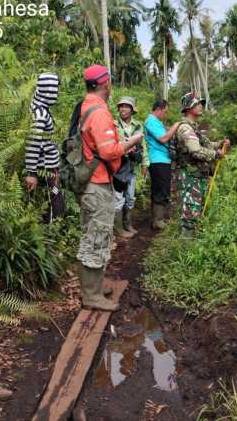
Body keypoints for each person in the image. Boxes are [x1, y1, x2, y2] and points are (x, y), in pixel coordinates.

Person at [77, 65, 143, 311]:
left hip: (90, 182)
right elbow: (107, 151)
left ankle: (94, 285)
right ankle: (91, 295)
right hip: (97, 182)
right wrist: (130, 142)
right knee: (97, 236)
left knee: (94, 233)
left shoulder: (85, 105)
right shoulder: (100, 112)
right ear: (106, 84)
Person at [174, 93, 230, 236]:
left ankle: (192, 243)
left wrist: (220, 144)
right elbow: (196, 151)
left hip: (198, 177)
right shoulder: (185, 128)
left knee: (197, 211)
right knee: (191, 214)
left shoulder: (194, 127)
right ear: (188, 107)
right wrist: (216, 154)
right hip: (190, 178)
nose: (200, 106)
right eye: (197, 103)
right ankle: (185, 247)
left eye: (200, 103)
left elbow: (207, 144)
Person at [24, 73, 62, 222]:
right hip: (45, 167)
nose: (57, 93)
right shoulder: (39, 113)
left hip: (47, 166)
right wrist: (31, 172)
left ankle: (52, 230)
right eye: (55, 89)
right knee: (53, 200)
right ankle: (53, 232)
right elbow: (33, 142)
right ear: (49, 90)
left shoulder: (39, 107)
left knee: (50, 198)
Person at [114, 97, 149, 238]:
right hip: (118, 168)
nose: (123, 109)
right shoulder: (114, 125)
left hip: (133, 167)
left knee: (130, 197)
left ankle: (127, 224)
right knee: (118, 198)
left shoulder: (139, 125)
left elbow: (143, 146)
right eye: (121, 106)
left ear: (132, 110)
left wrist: (145, 163)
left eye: (126, 106)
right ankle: (118, 228)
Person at [144, 100, 181, 230]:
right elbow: (163, 138)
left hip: (162, 160)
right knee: (161, 190)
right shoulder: (151, 121)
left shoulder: (157, 122)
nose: (165, 115)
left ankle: (159, 219)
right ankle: (158, 221)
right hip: (158, 160)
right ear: (158, 109)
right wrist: (176, 125)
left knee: (161, 188)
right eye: (165, 112)